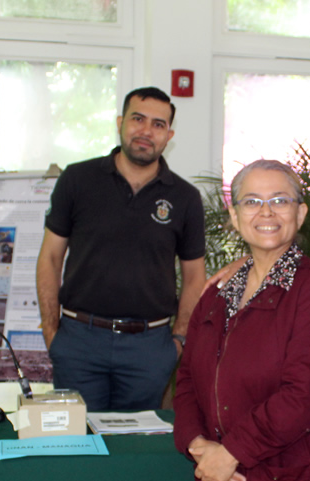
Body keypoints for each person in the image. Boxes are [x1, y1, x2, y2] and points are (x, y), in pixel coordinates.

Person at [174, 159, 310, 481]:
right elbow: (188, 377)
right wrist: (197, 446)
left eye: (280, 200)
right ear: (234, 215)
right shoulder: (217, 292)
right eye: (252, 201)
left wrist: (231, 452)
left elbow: (305, 395)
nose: (266, 212)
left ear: (300, 213)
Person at [36, 86, 205, 411]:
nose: (146, 131)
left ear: (169, 135)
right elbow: (51, 257)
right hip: (78, 342)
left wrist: (179, 340)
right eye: (137, 119)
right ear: (119, 122)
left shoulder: (185, 198)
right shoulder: (77, 179)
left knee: (136, 452)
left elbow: (195, 276)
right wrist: (51, 329)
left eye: (158, 124)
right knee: (79, 445)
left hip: (149, 348)